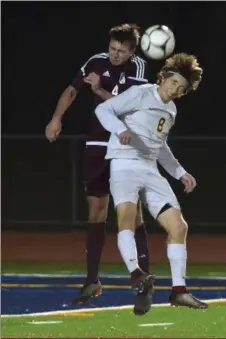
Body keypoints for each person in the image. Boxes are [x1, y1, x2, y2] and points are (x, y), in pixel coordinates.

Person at [45, 24, 152, 310]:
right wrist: (56, 118)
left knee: (133, 213)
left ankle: (144, 283)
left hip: (126, 145)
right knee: (95, 211)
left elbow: (128, 108)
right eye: (112, 49)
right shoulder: (95, 61)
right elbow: (71, 90)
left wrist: (98, 89)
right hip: (97, 144)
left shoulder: (139, 68)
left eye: (121, 51)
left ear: (132, 52)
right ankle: (92, 280)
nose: (115, 55)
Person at [95, 53, 209, 313]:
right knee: (127, 217)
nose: (176, 90)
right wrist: (119, 129)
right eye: (174, 83)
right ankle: (136, 274)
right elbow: (103, 109)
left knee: (178, 226)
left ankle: (179, 291)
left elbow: (161, 148)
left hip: (149, 168)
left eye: (182, 89)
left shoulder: (171, 110)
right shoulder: (141, 93)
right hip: (124, 162)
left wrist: (180, 173)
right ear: (164, 77)